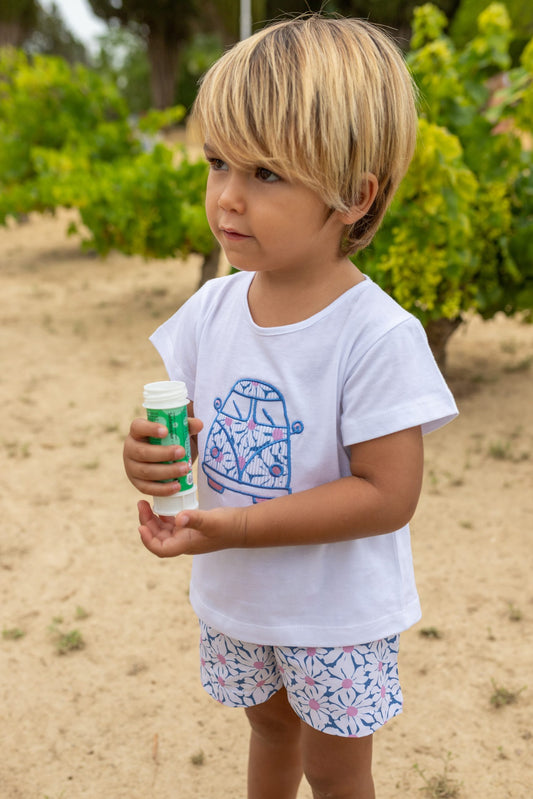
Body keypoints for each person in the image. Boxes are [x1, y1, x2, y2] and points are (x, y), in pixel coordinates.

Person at [123, 14, 458, 799]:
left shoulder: (374, 334)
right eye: (216, 163)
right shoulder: (211, 309)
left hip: (332, 612)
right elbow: (193, 437)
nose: (228, 198)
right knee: (269, 729)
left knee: (335, 768)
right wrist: (147, 454)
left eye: (266, 174)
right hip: (241, 598)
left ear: (354, 195)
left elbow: (387, 494)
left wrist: (233, 527)